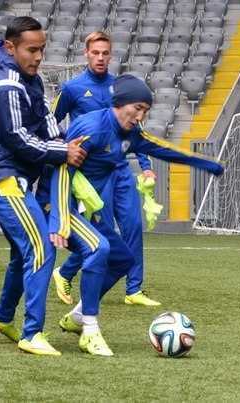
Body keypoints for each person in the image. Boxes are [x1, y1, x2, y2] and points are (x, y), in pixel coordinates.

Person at [47, 74, 224, 355]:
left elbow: (162, 149)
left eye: (145, 111)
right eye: (137, 108)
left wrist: (206, 164)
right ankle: (89, 330)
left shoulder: (130, 134)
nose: (140, 116)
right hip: (57, 203)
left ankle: (78, 316)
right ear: (119, 103)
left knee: (123, 259)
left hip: (84, 207)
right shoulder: (91, 128)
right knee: (99, 249)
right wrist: (59, 219)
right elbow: (61, 171)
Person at [0, 16, 87, 356]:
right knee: (41, 248)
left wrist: (66, 141)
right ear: (10, 48)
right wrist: (63, 152)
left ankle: (2, 318)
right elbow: (18, 139)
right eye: (31, 50)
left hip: (14, 177)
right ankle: (32, 334)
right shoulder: (6, 84)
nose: (38, 57)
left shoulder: (32, 81)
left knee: (23, 251)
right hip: (1, 177)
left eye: (42, 50)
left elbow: (49, 124)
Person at [50, 31, 161, 307]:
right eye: (95, 53)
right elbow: (50, 124)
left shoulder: (121, 88)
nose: (100, 58)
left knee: (133, 225)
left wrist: (146, 166)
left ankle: (134, 289)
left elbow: (135, 128)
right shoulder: (71, 88)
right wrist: (63, 147)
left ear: (111, 55)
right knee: (102, 232)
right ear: (86, 54)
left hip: (120, 168)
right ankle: (65, 272)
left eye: (105, 53)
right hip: (92, 174)